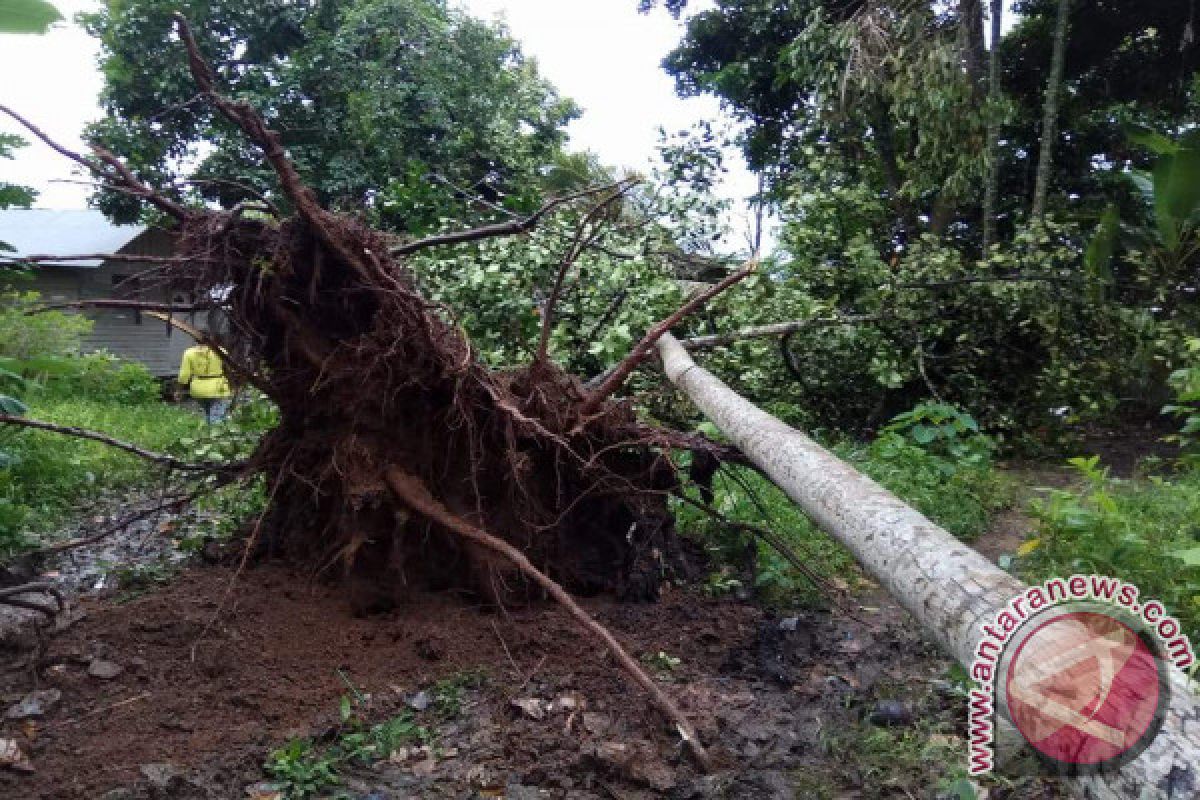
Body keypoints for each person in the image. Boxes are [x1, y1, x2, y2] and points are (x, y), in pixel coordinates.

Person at [177, 342, 232, 424]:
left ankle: (208, 431)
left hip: (198, 390)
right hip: (218, 388)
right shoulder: (221, 351)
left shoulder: (189, 353)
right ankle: (214, 434)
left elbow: (184, 375)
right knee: (216, 418)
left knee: (209, 414)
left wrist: (179, 390)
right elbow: (228, 369)